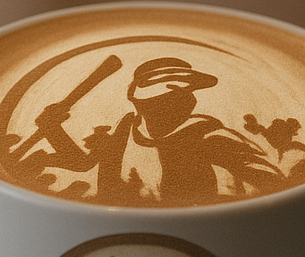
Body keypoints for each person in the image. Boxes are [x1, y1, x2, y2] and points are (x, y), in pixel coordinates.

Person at [27, 56, 284, 205]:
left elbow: (274, 183)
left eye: (187, 92)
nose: (189, 99)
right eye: (177, 92)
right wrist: (52, 129)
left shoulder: (206, 134)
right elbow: (81, 163)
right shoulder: (126, 129)